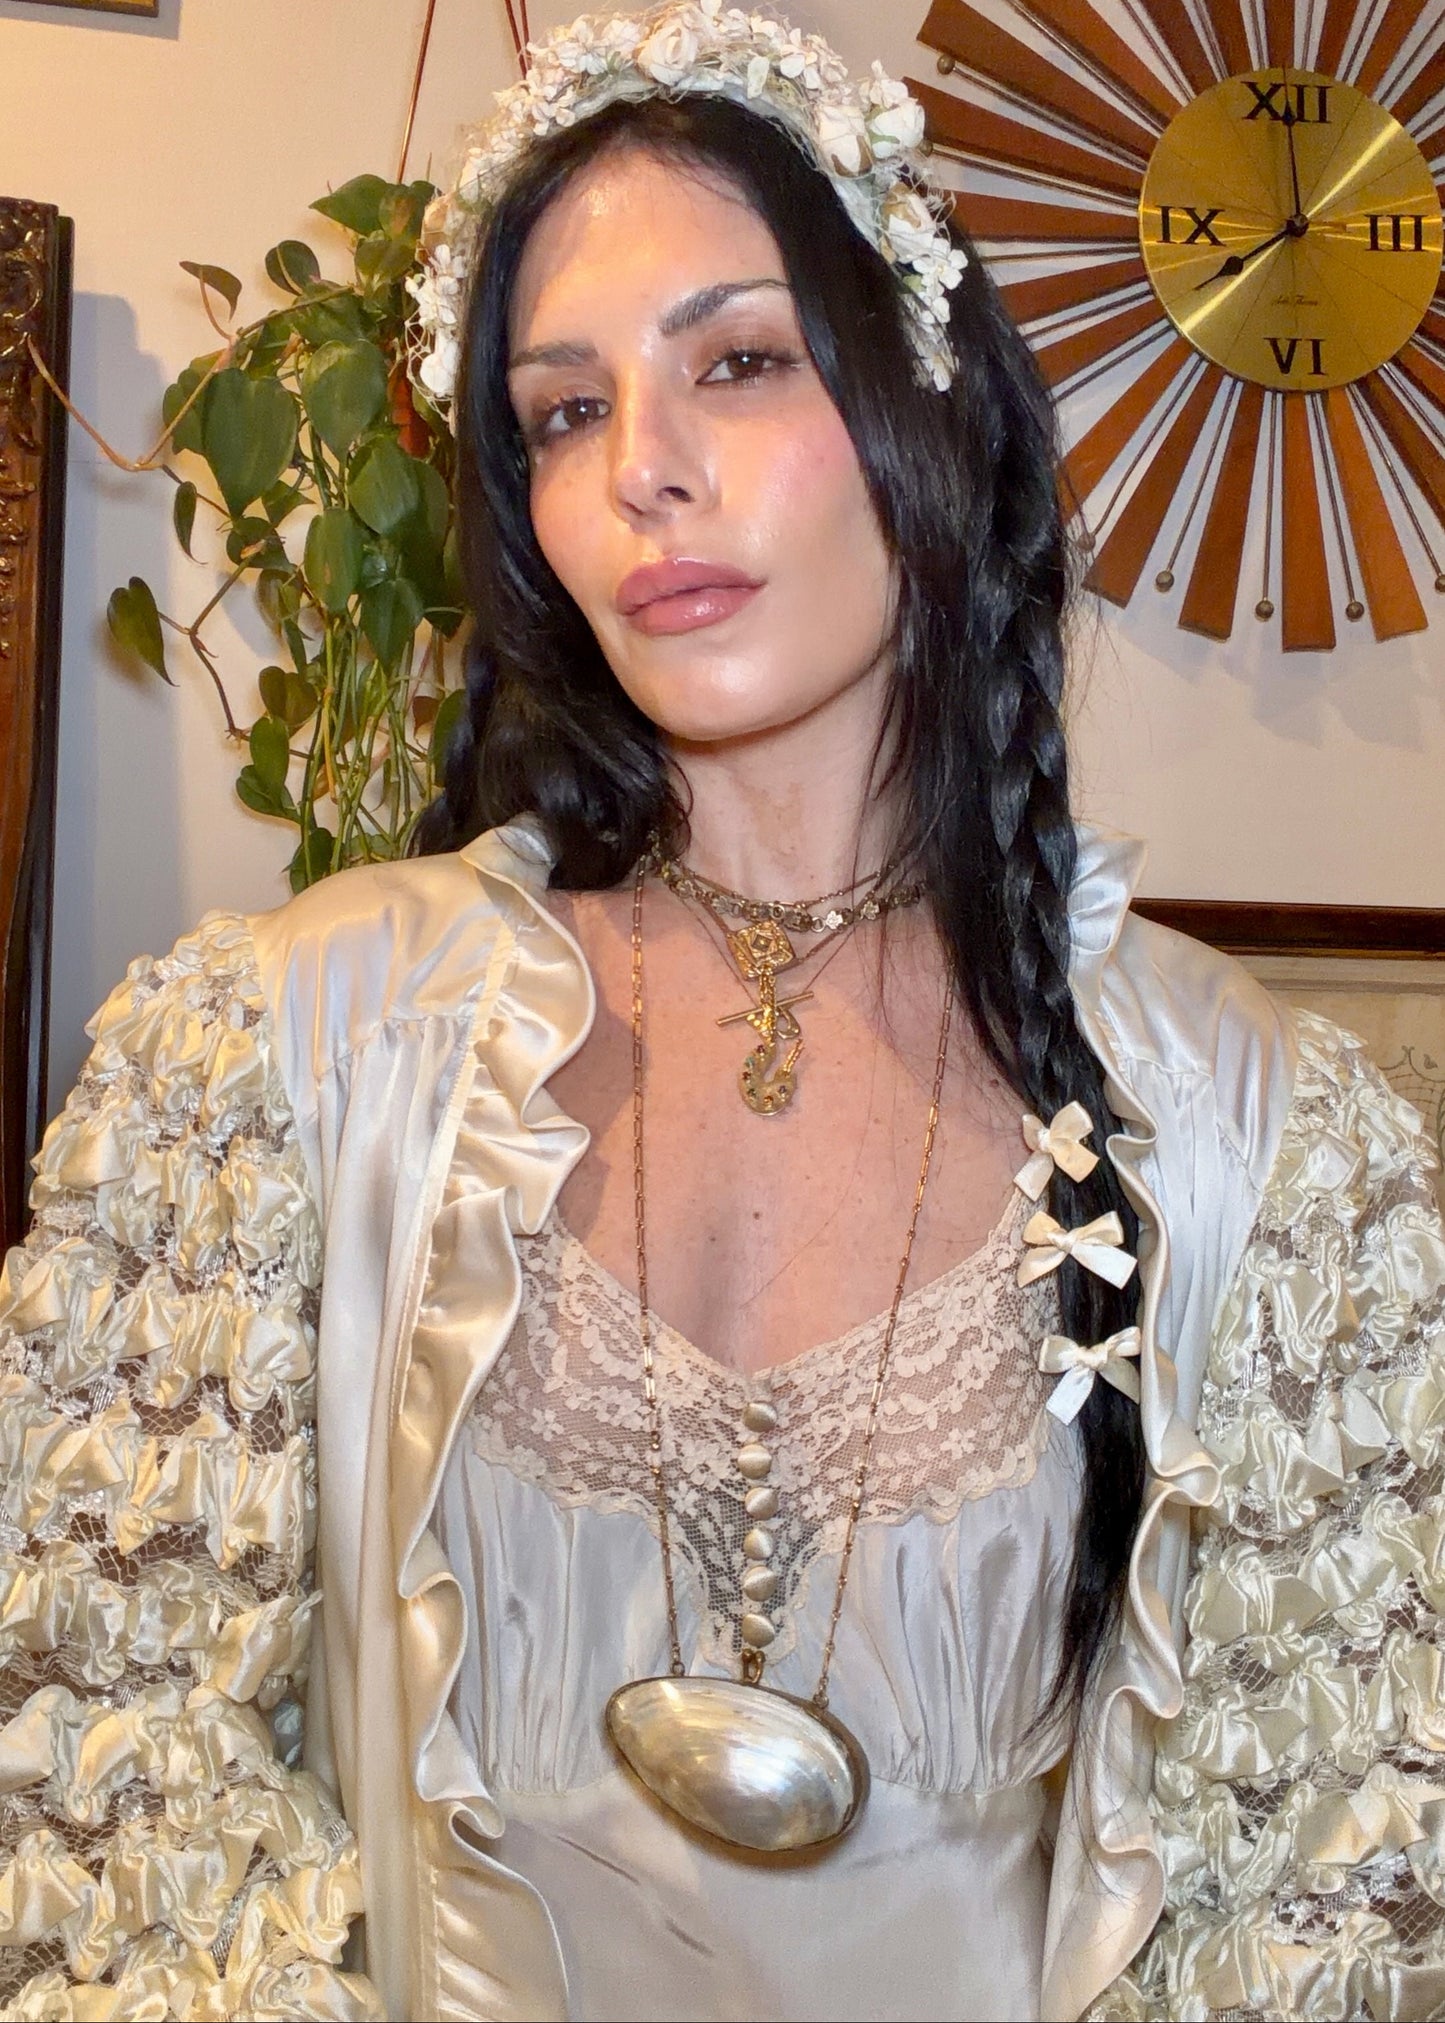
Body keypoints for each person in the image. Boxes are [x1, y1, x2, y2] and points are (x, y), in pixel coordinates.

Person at [2, 5, 1444, 2020]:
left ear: (931, 407)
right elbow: (111, 1769)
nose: (641, 473)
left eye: (740, 362)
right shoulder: (281, 1055)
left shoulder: (1260, 1136)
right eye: (562, 412)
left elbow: (1327, 1879)